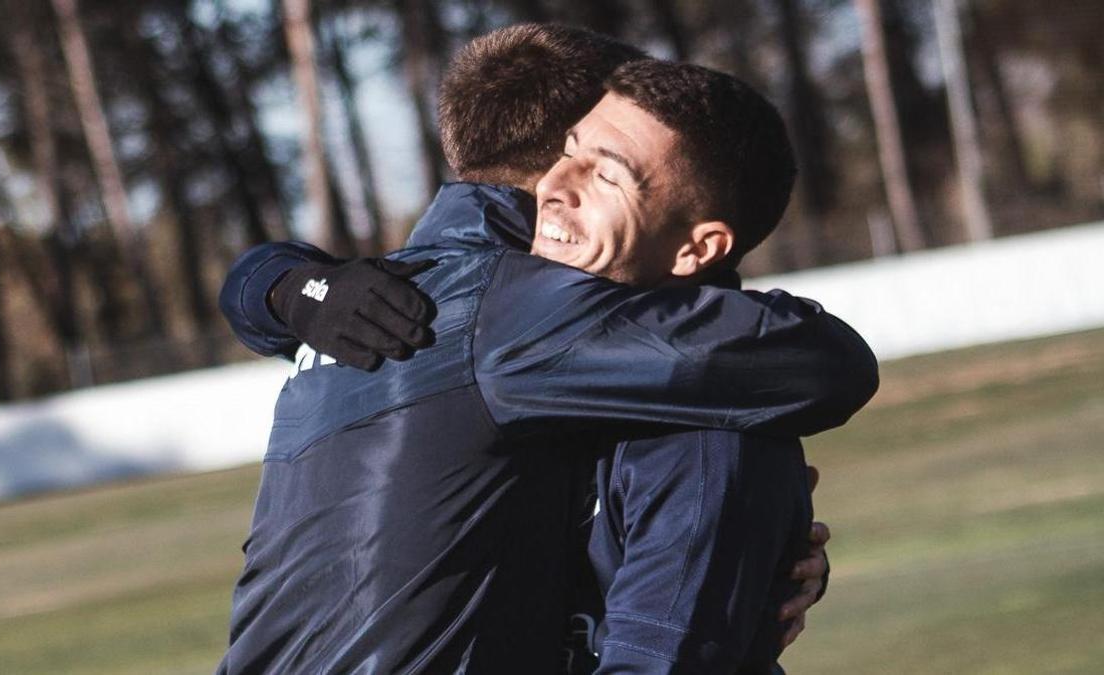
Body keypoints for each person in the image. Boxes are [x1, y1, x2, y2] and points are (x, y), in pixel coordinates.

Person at [217, 25, 877, 674]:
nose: (571, 183)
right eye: (577, 150)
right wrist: (741, 563)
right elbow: (825, 364)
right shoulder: (524, 312)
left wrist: (273, 282)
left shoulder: (382, 293)